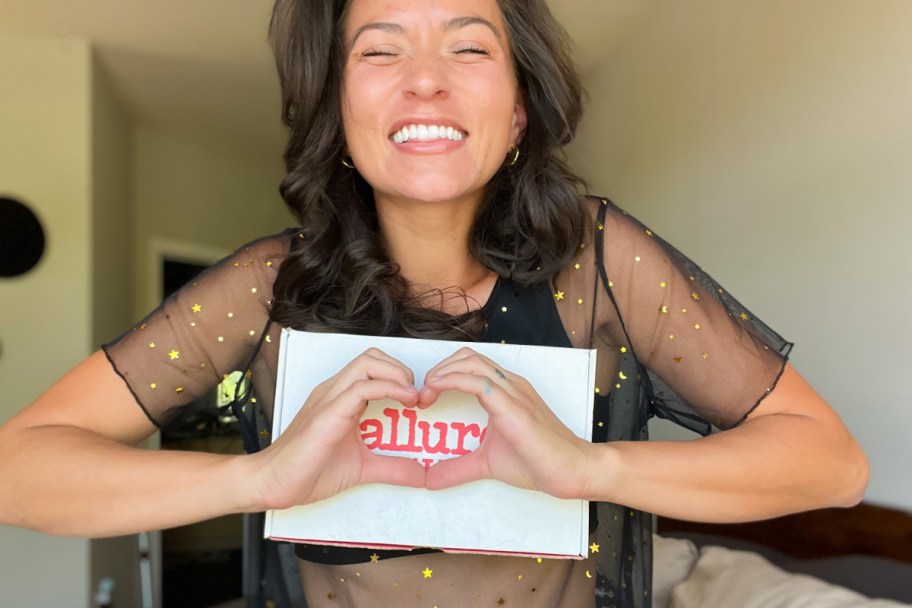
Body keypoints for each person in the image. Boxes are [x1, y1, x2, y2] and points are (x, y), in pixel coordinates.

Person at [0, 0, 869, 606]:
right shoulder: (268, 288)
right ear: (340, 111)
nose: (425, 81)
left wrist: (589, 469)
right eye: (380, 49)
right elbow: (18, 469)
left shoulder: (601, 262)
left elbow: (830, 463)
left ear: (520, 109)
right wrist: (256, 478)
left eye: (469, 46)